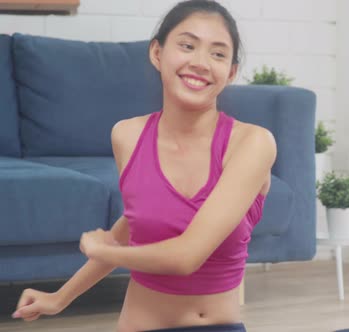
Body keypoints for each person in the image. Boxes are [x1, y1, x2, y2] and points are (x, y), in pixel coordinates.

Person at [12, 1, 275, 331]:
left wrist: (105, 252)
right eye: (187, 45)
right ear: (157, 53)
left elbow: (186, 256)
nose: (200, 63)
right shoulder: (128, 136)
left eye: (218, 54)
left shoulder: (252, 143)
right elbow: (134, 225)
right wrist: (59, 297)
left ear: (231, 73)